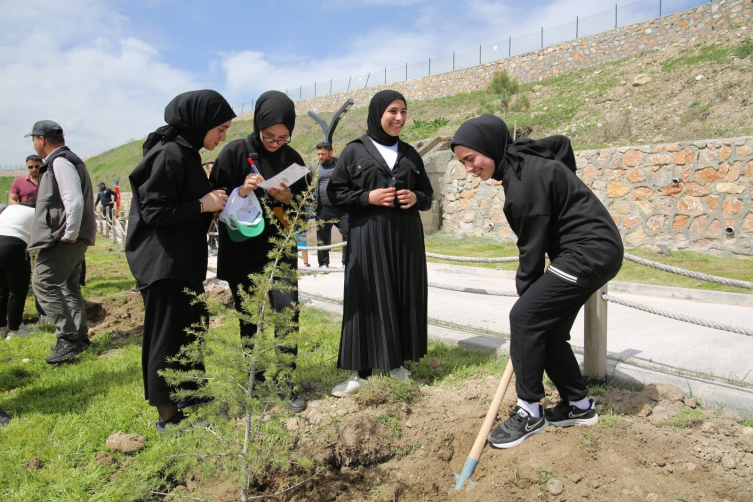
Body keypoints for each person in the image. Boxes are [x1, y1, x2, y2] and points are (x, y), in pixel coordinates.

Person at [450, 114, 624, 449]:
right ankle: (578, 406)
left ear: (489, 146)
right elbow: (562, 143)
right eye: (463, 163)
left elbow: (530, 254)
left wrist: (527, 304)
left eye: (471, 159)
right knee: (550, 330)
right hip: (596, 250)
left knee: (525, 318)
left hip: (588, 252)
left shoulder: (524, 183)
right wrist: (564, 187)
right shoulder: (527, 157)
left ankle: (530, 411)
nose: (469, 169)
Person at [126, 89, 234, 431]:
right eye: (221, 128)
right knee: (167, 336)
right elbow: (155, 210)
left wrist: (214, 205)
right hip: (163, 264)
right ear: (200, 122)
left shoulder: (186, 152)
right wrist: (203, 205)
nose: (223, 136)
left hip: (180, 262)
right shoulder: (169, 153)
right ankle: (168, 416)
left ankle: (190, 391)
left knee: (190, 328)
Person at [327, 90, 434, 397]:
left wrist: (416, 198)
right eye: (392, 111)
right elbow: (334, 195)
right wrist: (367, 197)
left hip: (406, 238)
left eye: (403, 111)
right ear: (377, 114)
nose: (399, 117)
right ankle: (361, 372)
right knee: (365, 298)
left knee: (402, 294)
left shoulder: (411, 154)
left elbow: (427, 195)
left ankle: (397, 365)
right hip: (367, 235)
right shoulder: (354, 151)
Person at [209, 90, 308, 413]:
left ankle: (286, 380)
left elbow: (304, 212)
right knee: (249, 316)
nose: (275, 143)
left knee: (286, 312)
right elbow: (215, 200)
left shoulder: (293, 159)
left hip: (280, 249)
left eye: (283, 137)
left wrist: (287, 200)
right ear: (257, 125)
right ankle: (254, 375)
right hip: (243, 248)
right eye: (269, 136)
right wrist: (242, 189)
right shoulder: (235, 152)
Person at [26, 120, 96, 364]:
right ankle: (80, 337)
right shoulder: (66, 159)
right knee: (68, 285)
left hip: (64, 237)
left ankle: (67, 339)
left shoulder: (60, 161)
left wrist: (70, 233)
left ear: (41, 139)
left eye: (33, 139)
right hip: (71, 235)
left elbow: (73, 201)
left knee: (42, 281)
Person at [0, 198, 37, 339]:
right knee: (17, 291)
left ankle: (1, 329)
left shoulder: (10, 208)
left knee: (2, 290)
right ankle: (15, 331)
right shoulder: (36, 212)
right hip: (14, 246)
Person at [309, 141, 348, 267]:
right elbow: (304, 182)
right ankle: (323, 264)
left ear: (331, 153)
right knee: (322, 238)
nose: (320, 157)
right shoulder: (314, 167)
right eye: (319, 154)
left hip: (342, 208)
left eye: (323, 154)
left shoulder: (340, 165)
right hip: (323, 208)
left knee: (348, 234)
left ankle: (346, 262)